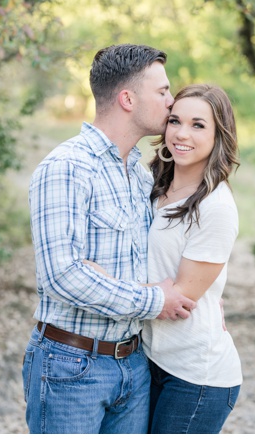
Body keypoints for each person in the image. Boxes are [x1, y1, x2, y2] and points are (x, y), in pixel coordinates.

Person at [22, 44, 197, 434]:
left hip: (133, 364)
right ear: (128, 99)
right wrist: (154, 300)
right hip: (71, 365)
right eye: (163, 92)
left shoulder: (139, 174)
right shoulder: (67, 167)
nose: (171, 102)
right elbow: (63, 276)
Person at [142, 84, 243, 433]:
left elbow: (179, 300)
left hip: (196, 376)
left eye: (198, 125)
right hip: (149, 358)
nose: (182, 134)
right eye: (175, 121)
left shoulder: (215, 207)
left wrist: (104, 283)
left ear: (219, 135)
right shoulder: (152, 185)